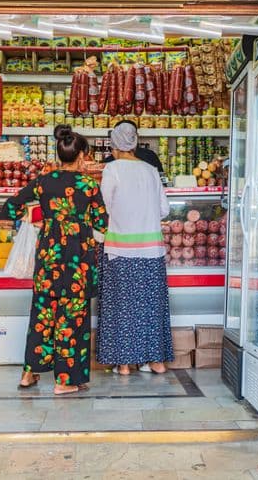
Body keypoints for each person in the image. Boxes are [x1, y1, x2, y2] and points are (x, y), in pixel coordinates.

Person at [5, 125, 108, 395]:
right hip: (78, 261)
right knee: (71, 319)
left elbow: (11, 205)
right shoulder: (88, 185)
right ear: (82, 155)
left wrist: (34, 217)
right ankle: (65, 381)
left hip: (48, 258)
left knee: (42, 316)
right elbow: (102, 223)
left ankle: (28, 375)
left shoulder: (44, 181)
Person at [96, 120, 174, 375]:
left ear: (114, 144)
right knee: (151, 307)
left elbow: (103, 207)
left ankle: (124, 364)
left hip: (120, 250)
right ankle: (156, 361)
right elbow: (165, 209)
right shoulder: (151, 170)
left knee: (121, 307)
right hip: (151, 251)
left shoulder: (112, 169)